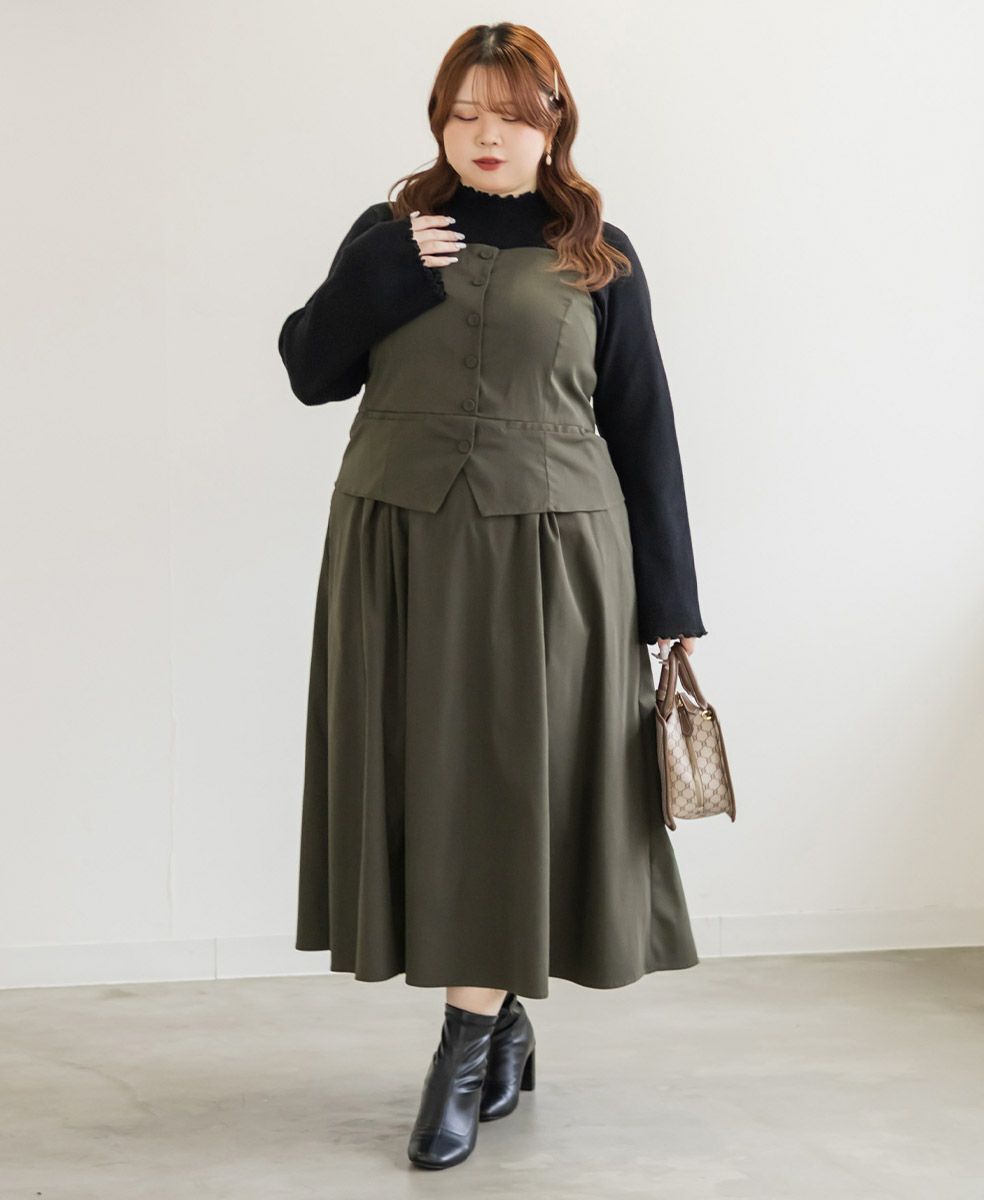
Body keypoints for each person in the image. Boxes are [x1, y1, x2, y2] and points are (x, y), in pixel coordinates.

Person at [277, 22, 708, 1171]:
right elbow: (310, 372)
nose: (484, 133)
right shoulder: (389, 235)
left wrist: (670, 605)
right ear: (438, 120)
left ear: (553, 124)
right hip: (397, 550)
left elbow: (642, 427)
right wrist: (374, 278)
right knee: (435, 786)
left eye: (510, 114)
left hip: (553, 561)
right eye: (463, 112)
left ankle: (464, 1047)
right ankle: (499, 1023)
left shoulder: (597, 254)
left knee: (516, 786)